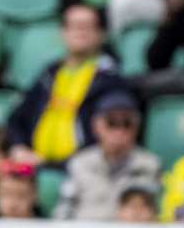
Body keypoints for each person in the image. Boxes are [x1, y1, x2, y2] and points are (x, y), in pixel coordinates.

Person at [5, 2, 128, 166]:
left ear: (101, 33)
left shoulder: (110, 79)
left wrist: (61, 164)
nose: (80, 32)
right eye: (74, 26)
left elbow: (113, 135)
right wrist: (19, 147)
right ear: (62, 32)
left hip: (84, 169)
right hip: (33, 163)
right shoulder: (49, 74)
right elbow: (17, 118)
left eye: (87, 26)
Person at [54, 88, 162, 220]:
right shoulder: (80, 164)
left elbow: (156, 214)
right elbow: (63, 212)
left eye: (127, 123)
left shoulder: (149, 165)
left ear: (137, 127)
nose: (119, 130)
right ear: (96, 126)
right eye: (111, 123)